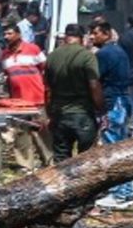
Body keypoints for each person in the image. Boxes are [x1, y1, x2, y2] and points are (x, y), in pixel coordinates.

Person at [90, 22, 133, 207]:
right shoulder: (120, 52)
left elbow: (96, 80)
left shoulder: (104, 54)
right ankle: (126, 191)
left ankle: (119, 194)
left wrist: (99, 107)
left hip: (112, 104)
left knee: (112, 150)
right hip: (123, 101)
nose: (92, 37)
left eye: (95, 34)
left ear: (107, 34)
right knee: (121, 148)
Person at [43, 23, 102, 162]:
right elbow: (94, 85)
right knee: (86, 159)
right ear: (82, 38)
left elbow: (47, 88)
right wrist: (100, 107)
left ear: (65, 37)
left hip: (59, 114)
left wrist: (49, 112)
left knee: (61, 158)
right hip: (82, 113)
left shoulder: (52, 56)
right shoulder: (87, 56)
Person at [0, 22, 50, 168]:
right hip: (18, 101)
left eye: (9, 33)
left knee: (42, 132)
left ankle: (49, 161)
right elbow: (8, 78)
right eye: (5, 34)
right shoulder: (5, 55)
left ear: (18, 34)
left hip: (37, 98)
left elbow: (46, 69)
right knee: (21, 134)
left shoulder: (33, 49)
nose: (6, 37)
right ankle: (25, 165)